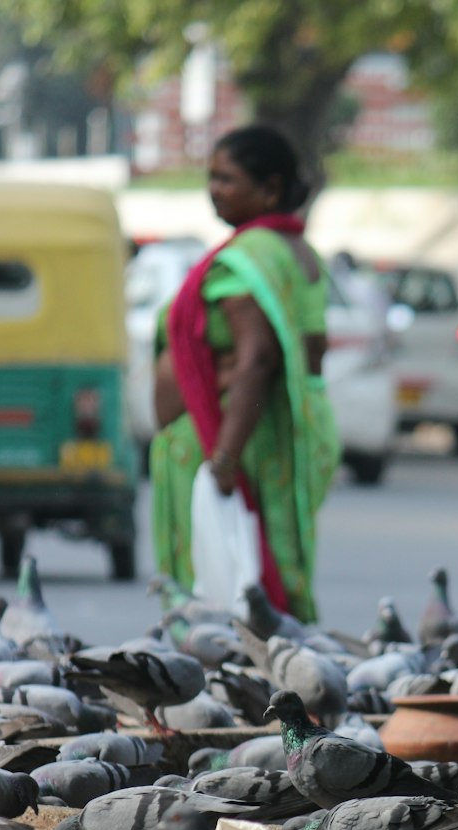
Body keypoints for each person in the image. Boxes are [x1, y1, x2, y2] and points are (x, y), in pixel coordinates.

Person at [150, 125, 340, 621]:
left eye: (227, 179)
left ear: (270, 189)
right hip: (275, 434)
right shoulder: (298, 255)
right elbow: (313, 349)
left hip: (230, 440)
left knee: (228, 591)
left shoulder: (247, 260)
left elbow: (258, 357)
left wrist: (225, 459)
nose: (213, 190)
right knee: (262, 570)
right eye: (210, 177)